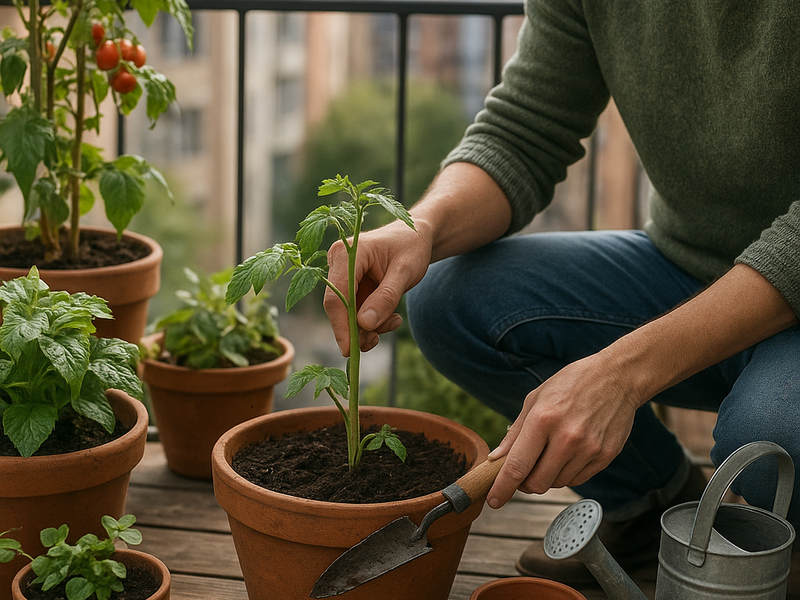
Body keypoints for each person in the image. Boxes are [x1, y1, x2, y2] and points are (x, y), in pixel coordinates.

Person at [324, 0, 800, 586]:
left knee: (773, 433)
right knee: (450, 295)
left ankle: (781, 555)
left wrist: (621, 374)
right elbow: (526, 130)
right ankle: (653, 508)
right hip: (693, 266)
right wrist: (422, 227)